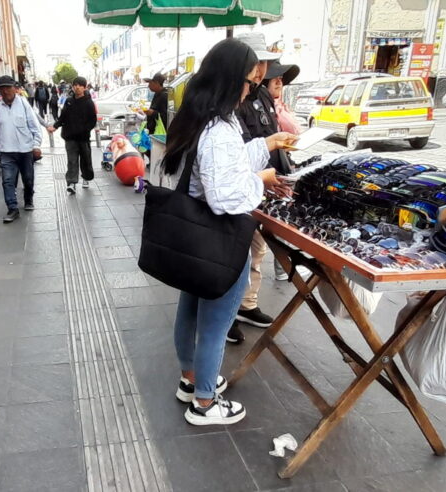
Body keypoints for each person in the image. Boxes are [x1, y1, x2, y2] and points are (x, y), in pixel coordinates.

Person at [160, 39, 295, 425]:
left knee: (189, 310)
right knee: (216, 323)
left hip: (195, 237)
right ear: (230, 80)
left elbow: (221, 169)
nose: (250, 89)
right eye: (249, 82)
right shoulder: (218, 129)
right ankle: (204, 403)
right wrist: (263, 178)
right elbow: (225, 196)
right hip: (220, 236)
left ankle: (190, 380)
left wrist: (265, 144)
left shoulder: (201, 119)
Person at [227, 32, 285, 344]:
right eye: (256, 63)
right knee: (236, 254)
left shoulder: (259, 95)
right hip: (241, 193)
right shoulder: (227, 109)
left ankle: (245, 304)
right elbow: (227, 176)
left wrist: (276, 146)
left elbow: (262, 140)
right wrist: (259, 176)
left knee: (256, 250)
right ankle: (225, 314)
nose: (261, 70)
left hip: (259, 185)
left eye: (264, 63)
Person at [263, 62, 302, 282]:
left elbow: (294, 130)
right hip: (267, 176)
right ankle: (283, 267)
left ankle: (283, 267)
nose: (280, 82)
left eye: (282, 79)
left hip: (274, 171)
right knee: (263, 237)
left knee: (277, 224)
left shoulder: (275, 104)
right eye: (276, 77)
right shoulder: (260, 104)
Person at [0, 75, 42, 223]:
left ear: (15, 89)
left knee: (28, 179)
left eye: (8, 87)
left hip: (25, 150)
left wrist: (36, 145)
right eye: (2, 88)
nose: (6, 91)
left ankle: (28, 198)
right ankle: (12, 208)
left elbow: (34, 126)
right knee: (7, 181)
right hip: (7, 151)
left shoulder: (23, 103)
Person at [47, 76, 97, 195]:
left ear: (84, 87)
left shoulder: (89, 102)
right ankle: (72, 183)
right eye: (75, 85)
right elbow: (63, 117)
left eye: (80, 85)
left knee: (86, 159)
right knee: (72, 160)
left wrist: (85, 130)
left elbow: (92, 121)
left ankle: (86, 177)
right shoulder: (69, 101)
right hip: (70, 137)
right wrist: (55, 126)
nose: (77, 87)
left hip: (83, 138)